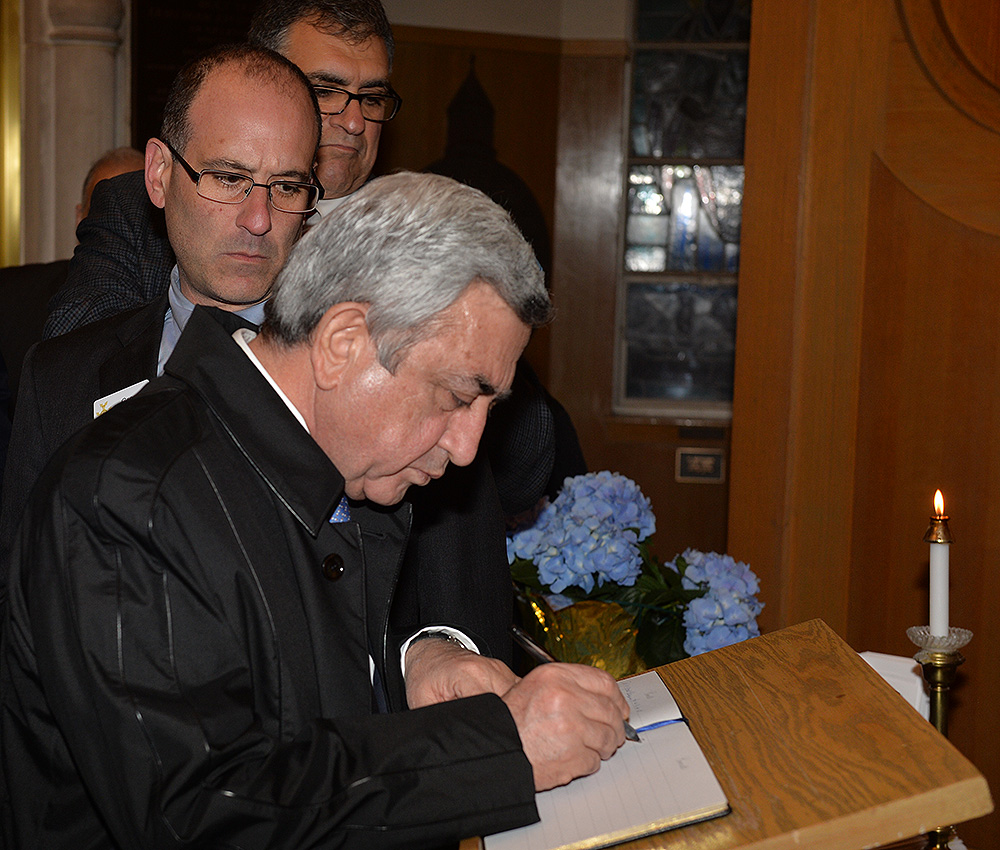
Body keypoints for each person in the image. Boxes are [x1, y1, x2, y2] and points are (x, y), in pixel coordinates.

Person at [0, 170, 631, 849]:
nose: (468, 445)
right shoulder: (126, 501)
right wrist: (494, 749)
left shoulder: (343, 465)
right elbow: (204, 815)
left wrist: (413, 665)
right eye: (455, 396)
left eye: (488, 407)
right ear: (342, 342)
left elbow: (287, 692)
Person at [0, 44, 322, 602]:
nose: (259, 219)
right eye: (229, 178)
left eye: (287, 187)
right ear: (159, 175)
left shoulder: (355, 375)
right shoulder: (61, 379)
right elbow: (20, 596)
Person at [43, 0, 399, 338]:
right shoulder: (135, 209)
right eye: (324, 91)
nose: (355, 122)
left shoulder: (411, 234)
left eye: (372, 99)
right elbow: (78, 357)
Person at [0, 146, 144, 409]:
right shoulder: (12, 298)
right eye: (105, 211)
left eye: (136, 215)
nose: (120, 230)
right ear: (80, 218)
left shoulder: (179, 309)